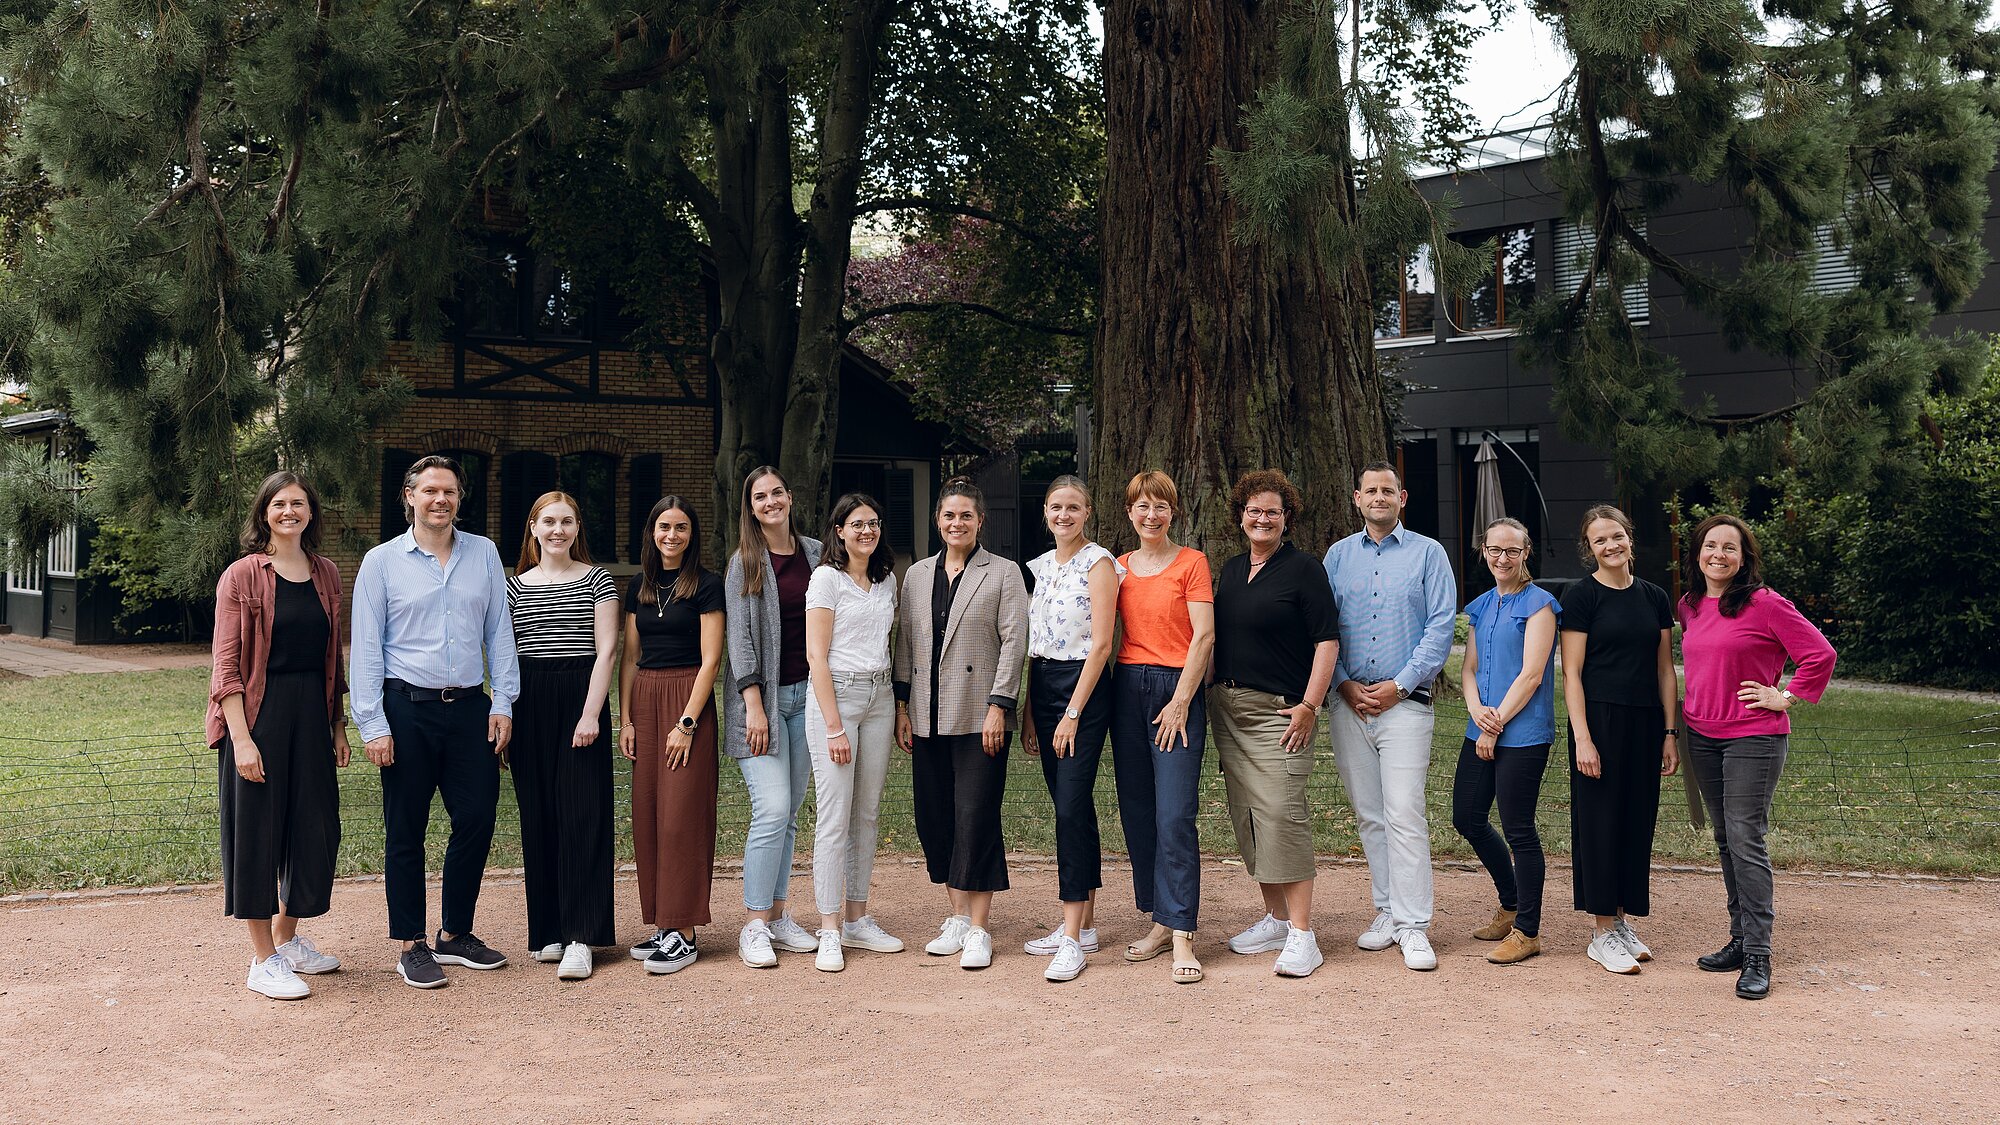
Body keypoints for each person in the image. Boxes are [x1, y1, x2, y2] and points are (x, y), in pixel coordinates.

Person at [352, 454, 519, 990]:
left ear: (459, 498)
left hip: (470, 707)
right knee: (406, 828)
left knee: (476, 816)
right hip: (407, 710)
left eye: (448, 491)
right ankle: (411, 942)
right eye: (429, 491)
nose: (440, 500)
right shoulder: (380, 562)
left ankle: (455, 932)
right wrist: (373, 724)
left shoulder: (485, 554)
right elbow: (367, 649)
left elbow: (500, 632)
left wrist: (503, 702)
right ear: (409, 496)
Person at [1679, 514, 1836, 1000]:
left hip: (1754, 736)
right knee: (1725, 837)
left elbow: (1820, 654)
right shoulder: (1689, 606)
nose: (1719, 555)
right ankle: (1739, 938)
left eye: (1730, 547)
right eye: (1711, 546)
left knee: (1746, 836)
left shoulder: (1765, 604)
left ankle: (1759, 955)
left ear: (1744, 558)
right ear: (1698, 553)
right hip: (1701, 735)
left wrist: (1785, 696)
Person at [209, 471, 348, 1000]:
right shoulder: (242, 576)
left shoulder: (327, 573)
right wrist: (241, 740)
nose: (290, 511)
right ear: (264, 512)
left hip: (312, 714)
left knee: (316, 829)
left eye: (299, 503)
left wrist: (336, 725)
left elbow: (332, 657)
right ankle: (262, 959)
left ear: (311, 513)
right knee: (257, 835)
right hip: (258, 715)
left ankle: (287, 940)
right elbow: (226, 666)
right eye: (279, 504)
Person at [1322, 460, 1455, 972]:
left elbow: (1442, 624)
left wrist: (1400, 686)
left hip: (1405, 706)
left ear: (1402, 499)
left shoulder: (1428, 553)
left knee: (1404, 812)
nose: (1379, 497)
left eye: (1388, 490)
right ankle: (1386, 912)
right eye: (1370, 490)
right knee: (1371, 815)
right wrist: (1344, 683)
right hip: (1349, 702)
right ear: (1357, 498)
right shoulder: (1338, 556)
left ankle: (1415, 925)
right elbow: (1324, 624)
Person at [893, 477, 1029, 971]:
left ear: (980, 521)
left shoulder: (1004, 572)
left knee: (975, 816)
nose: (957, 523)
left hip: (979, 714)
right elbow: (906, 643)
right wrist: (902, 707)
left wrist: (1000, 704)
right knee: (935, 818)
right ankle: (955, 916)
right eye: (949, 516)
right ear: (937, 521)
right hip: (927, 715)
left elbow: (1015, 642)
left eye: (966, 516)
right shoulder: (917, 575)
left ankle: (979, 928)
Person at [1211, 469, 1339, 979]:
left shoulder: (1304, 569)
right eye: (1254, 510)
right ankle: (1277, 919)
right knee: (1248, 817)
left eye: (1273, 512)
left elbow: (1327, 640)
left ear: (1287, 519)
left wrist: (1310, 704)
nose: (1262, 518)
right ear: (1241, 515)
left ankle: (1304, 936)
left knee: (1283, 814)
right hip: (1228, 709)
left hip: (1280, 712)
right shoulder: (1230, 569)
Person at [506, 491, 620, 981]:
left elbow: (608, 651)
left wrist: (591, 714)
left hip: (581, 695)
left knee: (582, 814)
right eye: (548, 522)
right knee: (539, 815)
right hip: (529, 700)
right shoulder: (512, 587)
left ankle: (581, 935)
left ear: (577, 528)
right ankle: (549, 930)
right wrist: (505, 714)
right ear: (533, 528)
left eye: (567, 522)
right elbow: (505, 656)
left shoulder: (598, 580)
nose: (558, 530)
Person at [1561, 505, 1679, 976]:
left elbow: (1665, 670)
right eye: (1599, 541)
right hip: (1599, 721)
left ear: (1629, 537)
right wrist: (1583, 738)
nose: (1610, 546)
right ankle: (1600, 931)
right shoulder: (1581, 596)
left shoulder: (1654, 597)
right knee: (1599, 823)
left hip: (1647, 722)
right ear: (1589, 550)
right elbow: (1571, 674)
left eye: (1616, 536)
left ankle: (1623, 921)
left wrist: (1669, 733)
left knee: (1635, 822)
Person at [1109, 470, 1214, 984]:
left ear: (1173, 511)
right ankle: (1158, 918)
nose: (1151, 515)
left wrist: (1180, 702)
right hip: (1126, 690)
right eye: (1142, 506)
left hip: (1177, 690)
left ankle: (1182, 935)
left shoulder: (1192, 563)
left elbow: (1204, 637)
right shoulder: (1118, 567)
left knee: (1175, 813)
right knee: (1138, 812)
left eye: (1161, 506)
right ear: (1129, 512)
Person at [619, 495, 726, 976]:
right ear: (652, 531)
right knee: (650, 816)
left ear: (691, 534)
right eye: (664, 526)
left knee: (682, 817)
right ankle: (664, 922)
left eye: (681, 527)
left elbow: (711, 660)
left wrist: (686, 723)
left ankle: (685, 933)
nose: (672, 535)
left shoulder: (706, 585)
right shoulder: (638, 587)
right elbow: (628, 657)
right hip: (644, 698)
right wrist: (625, 719)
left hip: (687, 699)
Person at [1020, 476, 1121, 983]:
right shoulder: (1041, 567)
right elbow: (1036, 643)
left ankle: (1072, 937)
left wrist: (1072, 713)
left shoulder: (1099, 563)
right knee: (1070, 806)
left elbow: (1101, 645)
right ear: (1045, 511)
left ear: (1088, 512)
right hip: (1043, 684)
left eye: (1074, 507)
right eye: (1056, 507)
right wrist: (1029, 713)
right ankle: (1086, 926)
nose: (1064, 515)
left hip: (1082, 687)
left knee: (1069, 807)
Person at [722, 467, 823, 967]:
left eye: (777, 492)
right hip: (760, 703)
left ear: (789, 496)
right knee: (772, 807)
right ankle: (754, 924)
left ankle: (780, 916)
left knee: (789, 814)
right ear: (751, 505)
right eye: (760, 497)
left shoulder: (817, 553)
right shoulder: (744, 563)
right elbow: (739, 641)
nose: (770, 502)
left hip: (809, 699)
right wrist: (755, 705)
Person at [802, 493, 904, 972]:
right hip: (837, 699)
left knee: (866, 813)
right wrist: (834, 726)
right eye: (857, 523)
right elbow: (816, 657)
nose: (867, 530)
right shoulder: (826, 579)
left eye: (874, 522)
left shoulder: (886, 579)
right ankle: (828, 928)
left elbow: (887, 644)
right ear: (838, 530)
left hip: (879, 698)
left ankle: (858, 918)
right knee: (835, 815)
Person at [1451, 518, 1560, 966]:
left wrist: (1495, 725)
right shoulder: (1479, 605)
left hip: (1524, 732)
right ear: (1484, 551)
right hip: (1483, 724)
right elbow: (1470, 669)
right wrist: (1477, 711)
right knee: (1467, 817)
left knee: (1519, 829)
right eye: (1495, 550)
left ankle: (1527, 931)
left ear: (1525, 553)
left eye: (1511, 551)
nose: (1502, 558)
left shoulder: (1541, 605)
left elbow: (1532, 675)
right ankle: (1510, 901)